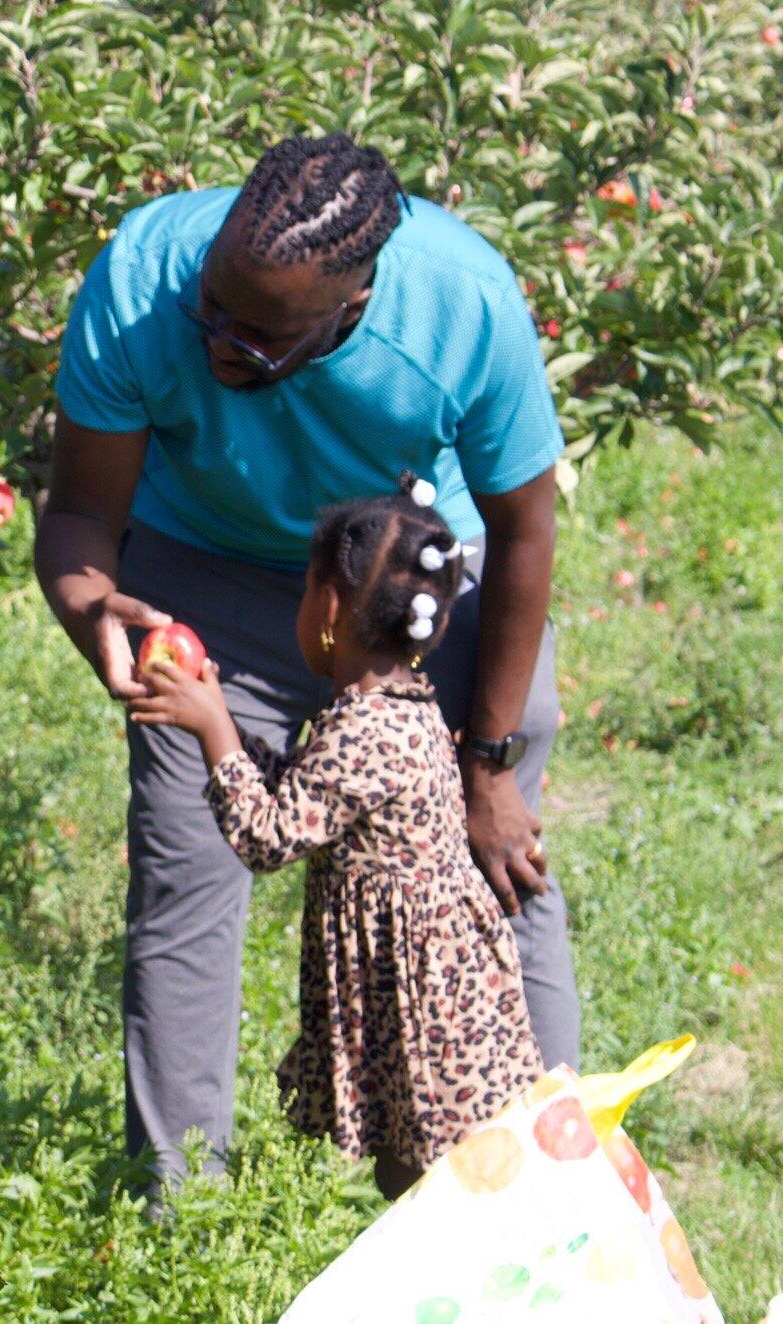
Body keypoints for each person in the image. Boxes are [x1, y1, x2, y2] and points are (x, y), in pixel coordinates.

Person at [34, 131, 579, 1193]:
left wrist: (488, 761)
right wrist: (95, 609)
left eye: (256, 336)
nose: (215, 338)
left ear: (353, 302)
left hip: (408, 586)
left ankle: (552, 1195)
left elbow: (522, 536)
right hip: (208, 581)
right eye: (212, 306)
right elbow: (82, 516)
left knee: (491, 877)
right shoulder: (143, 277)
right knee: (182, 884)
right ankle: (179, 1218)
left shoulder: (460, 305)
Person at [131, 476, 547, 1198]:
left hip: (421, 1003)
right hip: (430, 984)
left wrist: (211, 729)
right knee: (423, 1169)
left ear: (325, 607)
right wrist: (224, 720)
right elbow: (308, 794)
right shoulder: (399, 709)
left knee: (430, 1179)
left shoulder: (363, 731)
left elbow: (268, 837)